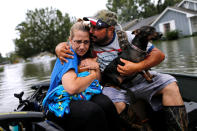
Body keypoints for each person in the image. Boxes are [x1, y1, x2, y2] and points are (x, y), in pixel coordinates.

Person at [55, 10, 188, 131]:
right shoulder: (87, 41)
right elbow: (70, 43)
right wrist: (59, 48)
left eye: (97, 28)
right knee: (111, 104)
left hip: (140, 79)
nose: (92, 31)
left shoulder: (129, 37)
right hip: (113, 86)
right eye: (92, 26)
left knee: (170, 85)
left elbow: (159, 55)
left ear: (110, 29)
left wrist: (136, 67)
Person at [43, 19, 121, 131]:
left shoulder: (87, 54)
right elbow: (72, 88)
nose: (82, 46)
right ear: (70, 40)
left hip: (80, 94)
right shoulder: (68, 54)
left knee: (106, 104)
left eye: (86, 42)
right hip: (58, 102)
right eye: (78, 42)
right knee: (93, 111)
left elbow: (97, 82)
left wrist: (96, 67)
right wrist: (93, 75)